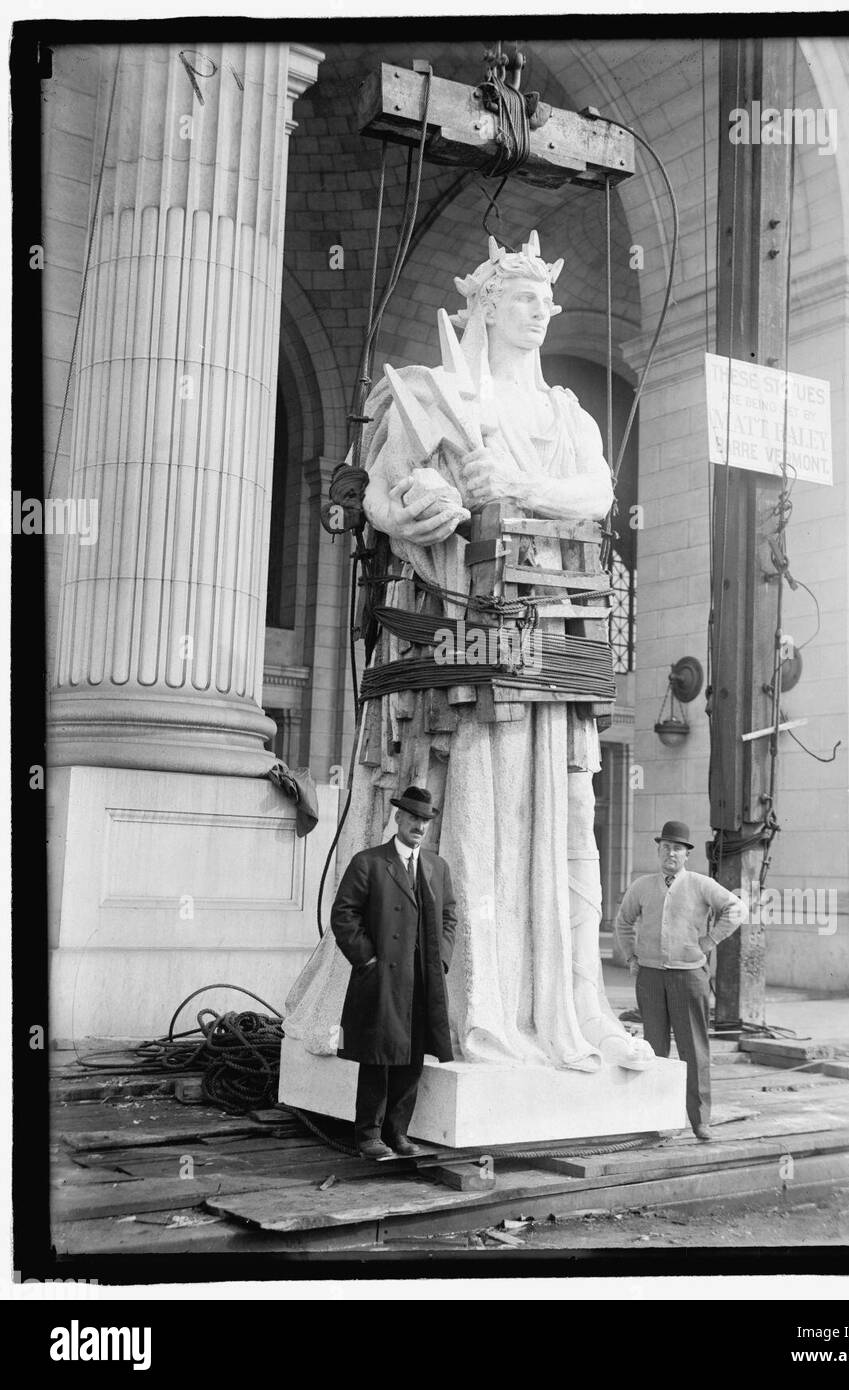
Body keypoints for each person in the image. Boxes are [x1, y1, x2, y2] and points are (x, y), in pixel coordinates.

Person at [285, 232, 653, 1075]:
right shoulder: (428, 392)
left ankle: (555, 1006)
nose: (540, 312)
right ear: (484, 306)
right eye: (524, 298)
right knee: (475, 794)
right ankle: (465, 1008)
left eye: (546, 300)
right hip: (457, 626)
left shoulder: (567, 414)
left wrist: (517, 487)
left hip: (547, 631)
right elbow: (379, 491)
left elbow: (597, 493)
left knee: (557, 816)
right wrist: (418, 503)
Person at [330, 786, 456, 1160]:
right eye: (413, 817)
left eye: (425, 820)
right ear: (398, 818)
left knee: (413, 1056)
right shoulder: (369, 862)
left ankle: (398, 1133)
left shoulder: (436, 867)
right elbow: (344, 915)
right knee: (378, 1055)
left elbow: (449, 917)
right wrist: (367, 959)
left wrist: (441, 960)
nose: (419, 826)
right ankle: (369, 1135)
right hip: (382, 978)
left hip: (422, 978)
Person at [614, 820, 745, 1141]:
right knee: (653, 1048)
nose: (670, 853)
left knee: (694, 1049)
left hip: (689, 976)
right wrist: (631, 957)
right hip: (650, 977)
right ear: (658, 851)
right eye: (666, 847)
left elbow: (736, 908)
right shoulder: (642, 886)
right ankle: (653, 1117)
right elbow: (623, 922)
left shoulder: (701, 884)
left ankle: (700, 1120)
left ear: (687, 854)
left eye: (677, 849)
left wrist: (710, 940)